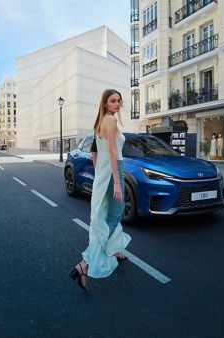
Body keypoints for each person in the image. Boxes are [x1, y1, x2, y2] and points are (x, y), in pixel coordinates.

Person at [69, 89, 132, 292]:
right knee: (115, 214)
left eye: (119, 101)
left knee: (106, 214)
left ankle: (114, 250)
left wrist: (101, 174)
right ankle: (85, 263)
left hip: (104, 173)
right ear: (105, 103)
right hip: (116, 170)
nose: (117, 104)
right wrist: (115, 181)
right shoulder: (111, 120)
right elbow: (113, 151)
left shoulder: (99, 122)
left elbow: (95, 152)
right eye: (113, 101)